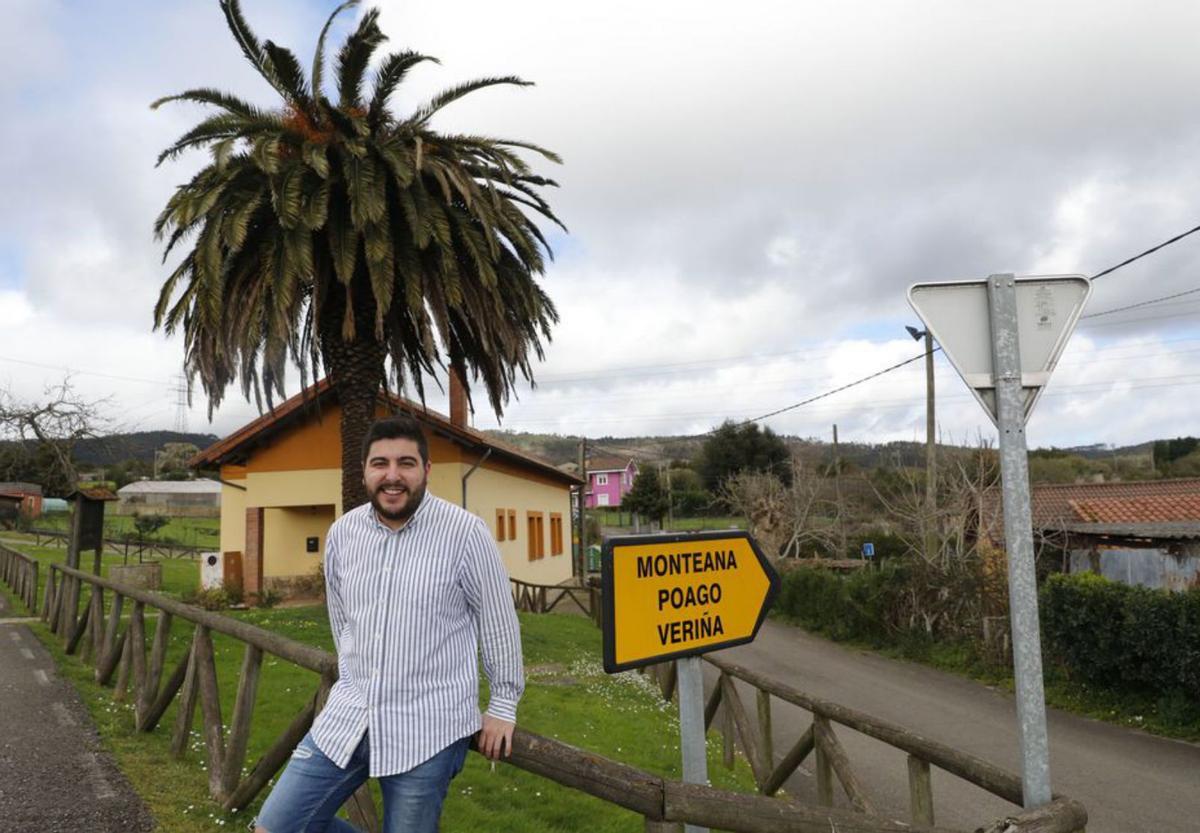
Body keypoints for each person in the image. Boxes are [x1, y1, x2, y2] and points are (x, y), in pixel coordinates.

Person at [255, 414, 524, 832]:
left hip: (429, 728)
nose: (392, 476)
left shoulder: (466, 534)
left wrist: (503, 704)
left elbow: (499, 623)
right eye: (380, 463)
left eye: (406, 463)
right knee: (274, 827)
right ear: (364, 471)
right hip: (348, 716)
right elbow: (343, 623)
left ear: (427, 470)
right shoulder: (343, 534)